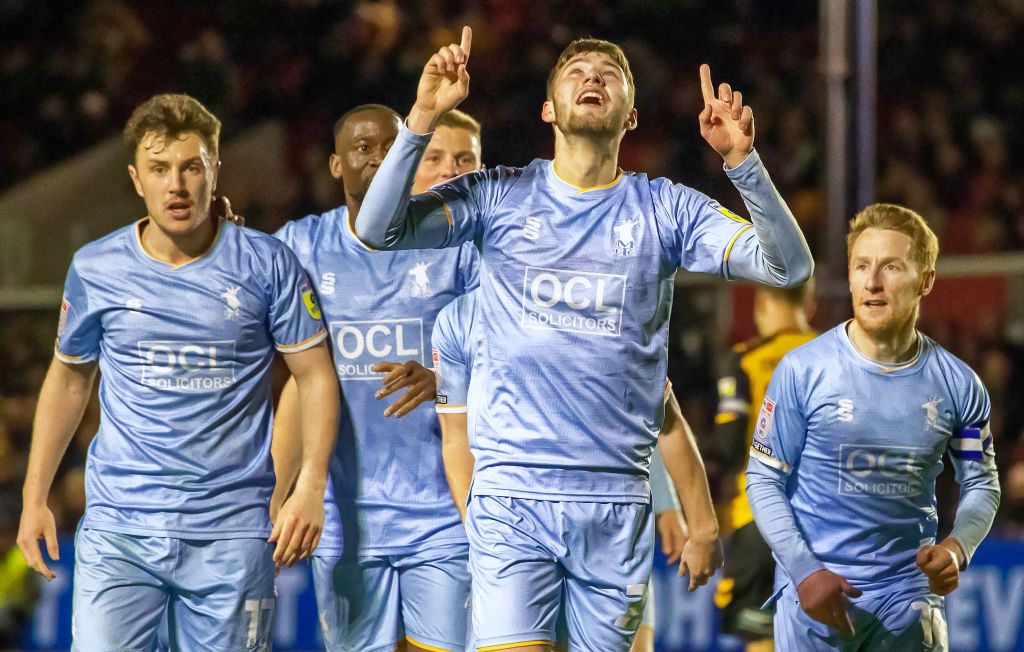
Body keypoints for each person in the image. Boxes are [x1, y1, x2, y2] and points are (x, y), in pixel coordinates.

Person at [353, 27, 813, 651]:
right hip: (514, 497)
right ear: (548, 110)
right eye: (575, 71)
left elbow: (790, 268)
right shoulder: (499, 196)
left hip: (616, 507)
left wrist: (744, 166)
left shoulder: (665, 210)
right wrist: (423, 117)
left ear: (631, 115)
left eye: (608, 72)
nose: (592, 77)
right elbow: (378, 230)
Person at [15, 94, 339, 650]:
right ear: (136, 179)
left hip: (233, 532)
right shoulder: (96, 268)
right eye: (160, 169)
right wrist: (34, 494)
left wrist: (310, 484)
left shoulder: (267, 264)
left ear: (215, 169)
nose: (178, 185)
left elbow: (315, 376)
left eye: (192, 167)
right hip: (122, 530)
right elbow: (69, 378)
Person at [271, 105, 482, 652]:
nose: (377, 158)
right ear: (336, 165)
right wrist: (278, 490)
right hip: (345, 522)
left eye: (391, 147)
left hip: (442, 515)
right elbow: (301, 382)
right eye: (362, 148)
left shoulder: (455, 248)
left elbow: (503, 354)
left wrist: (443, 378)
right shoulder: (301, 248)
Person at [747, 204, 1001, 650]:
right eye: (861, 266)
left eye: (891, 267)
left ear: (926, 280)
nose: (872, 282)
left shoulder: (959, 385)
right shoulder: (803, 371)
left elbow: (981, 482)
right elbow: (764, 478)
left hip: (907, 597)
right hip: (816, 599)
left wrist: (958, 547)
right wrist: (805, 572)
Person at [430, 290, 706, 652]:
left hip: (609, 515)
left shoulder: (598, 290)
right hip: (516, 518)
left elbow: (637, 414)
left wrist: (669, 502)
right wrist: (480, 529)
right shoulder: (464, 316)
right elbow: (456, 437)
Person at [709, 282, 815, 650]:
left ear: (763, 302)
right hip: (825, 518)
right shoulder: (836, 355)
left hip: (758, 517)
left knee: (761, 634)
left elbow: (727, 445)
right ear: (810, 302)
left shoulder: (743, 360)